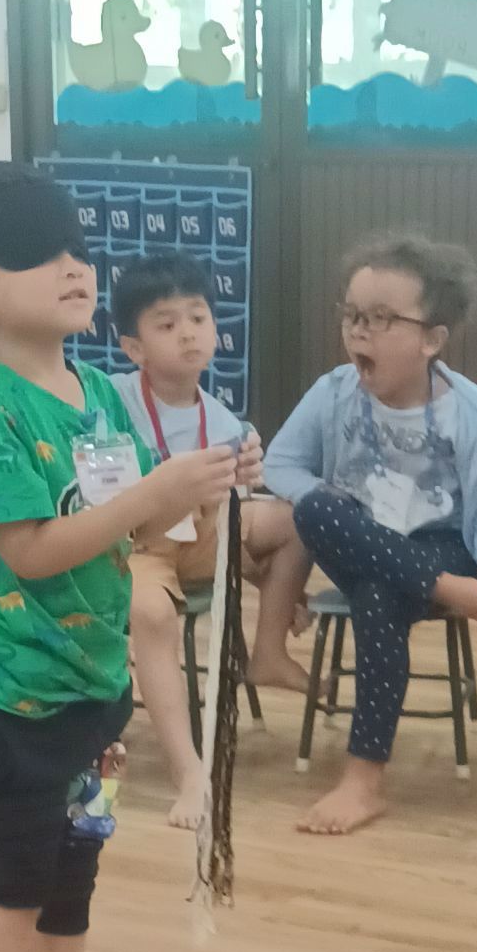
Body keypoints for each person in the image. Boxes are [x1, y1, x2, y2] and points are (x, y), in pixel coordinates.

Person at [0, 161, 254, 952]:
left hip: (93, 697)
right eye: (40, 253)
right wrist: (157, 493)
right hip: (11, 706)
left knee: (72, 886)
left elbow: (144, 532)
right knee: (15, 893)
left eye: (75, 246)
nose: (74, 266)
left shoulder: (98, 393)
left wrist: (206, 486)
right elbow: (32, 551)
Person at [263, 232, 477, 836]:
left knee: (379, 595)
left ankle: (363, 782)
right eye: (352, 315)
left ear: (432, 339)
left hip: (439, 546)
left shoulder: (469, 410)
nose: (359, 332)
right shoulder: (332, 394)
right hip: (361, 538)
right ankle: (465, 598)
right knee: (314, 509)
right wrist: (334, 501)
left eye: (381, 318)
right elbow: (281, 466)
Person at [110, 254, 312, 825]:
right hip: (138, 546)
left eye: (198, 318)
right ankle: (188, 771)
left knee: (306, 516)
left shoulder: (225, 422)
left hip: (202, 535)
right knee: (151, 614)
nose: (188, 333)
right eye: (167, 323)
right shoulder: (113, 397)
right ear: (134, 348)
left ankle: (269, 647)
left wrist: (247, 477)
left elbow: (231, 510)